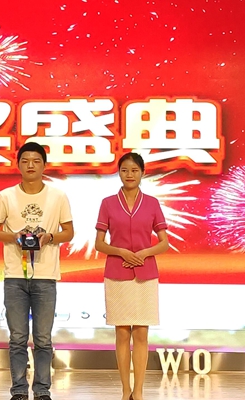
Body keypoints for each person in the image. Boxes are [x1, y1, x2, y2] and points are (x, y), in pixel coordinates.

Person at [0, 142, 74, 400]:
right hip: (14, 275)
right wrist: (13, 236)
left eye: (36, 161)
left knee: (43, 339)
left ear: (44, 165)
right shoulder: (5, 196)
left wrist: (50, 237)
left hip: (46, 276)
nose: (31, 165)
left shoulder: (58, 196)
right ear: (18, 165)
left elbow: (69, 231)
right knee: (17, 338)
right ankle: (18, 391)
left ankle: (42, 390)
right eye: (25, 161)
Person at [95, 152, 169, 400]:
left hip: (145, 274)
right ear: (119, 172)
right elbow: (99, 243)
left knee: (141, 332)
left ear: (142, 173)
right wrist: (121, 252)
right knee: (122, 332)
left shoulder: (152, 203)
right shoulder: (107, 203)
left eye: (134, 170)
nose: (129, 175)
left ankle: (138, 391)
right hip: (117, 273)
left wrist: (144, 253)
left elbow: (164, 242)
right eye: (125, 170)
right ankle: (125, 389)